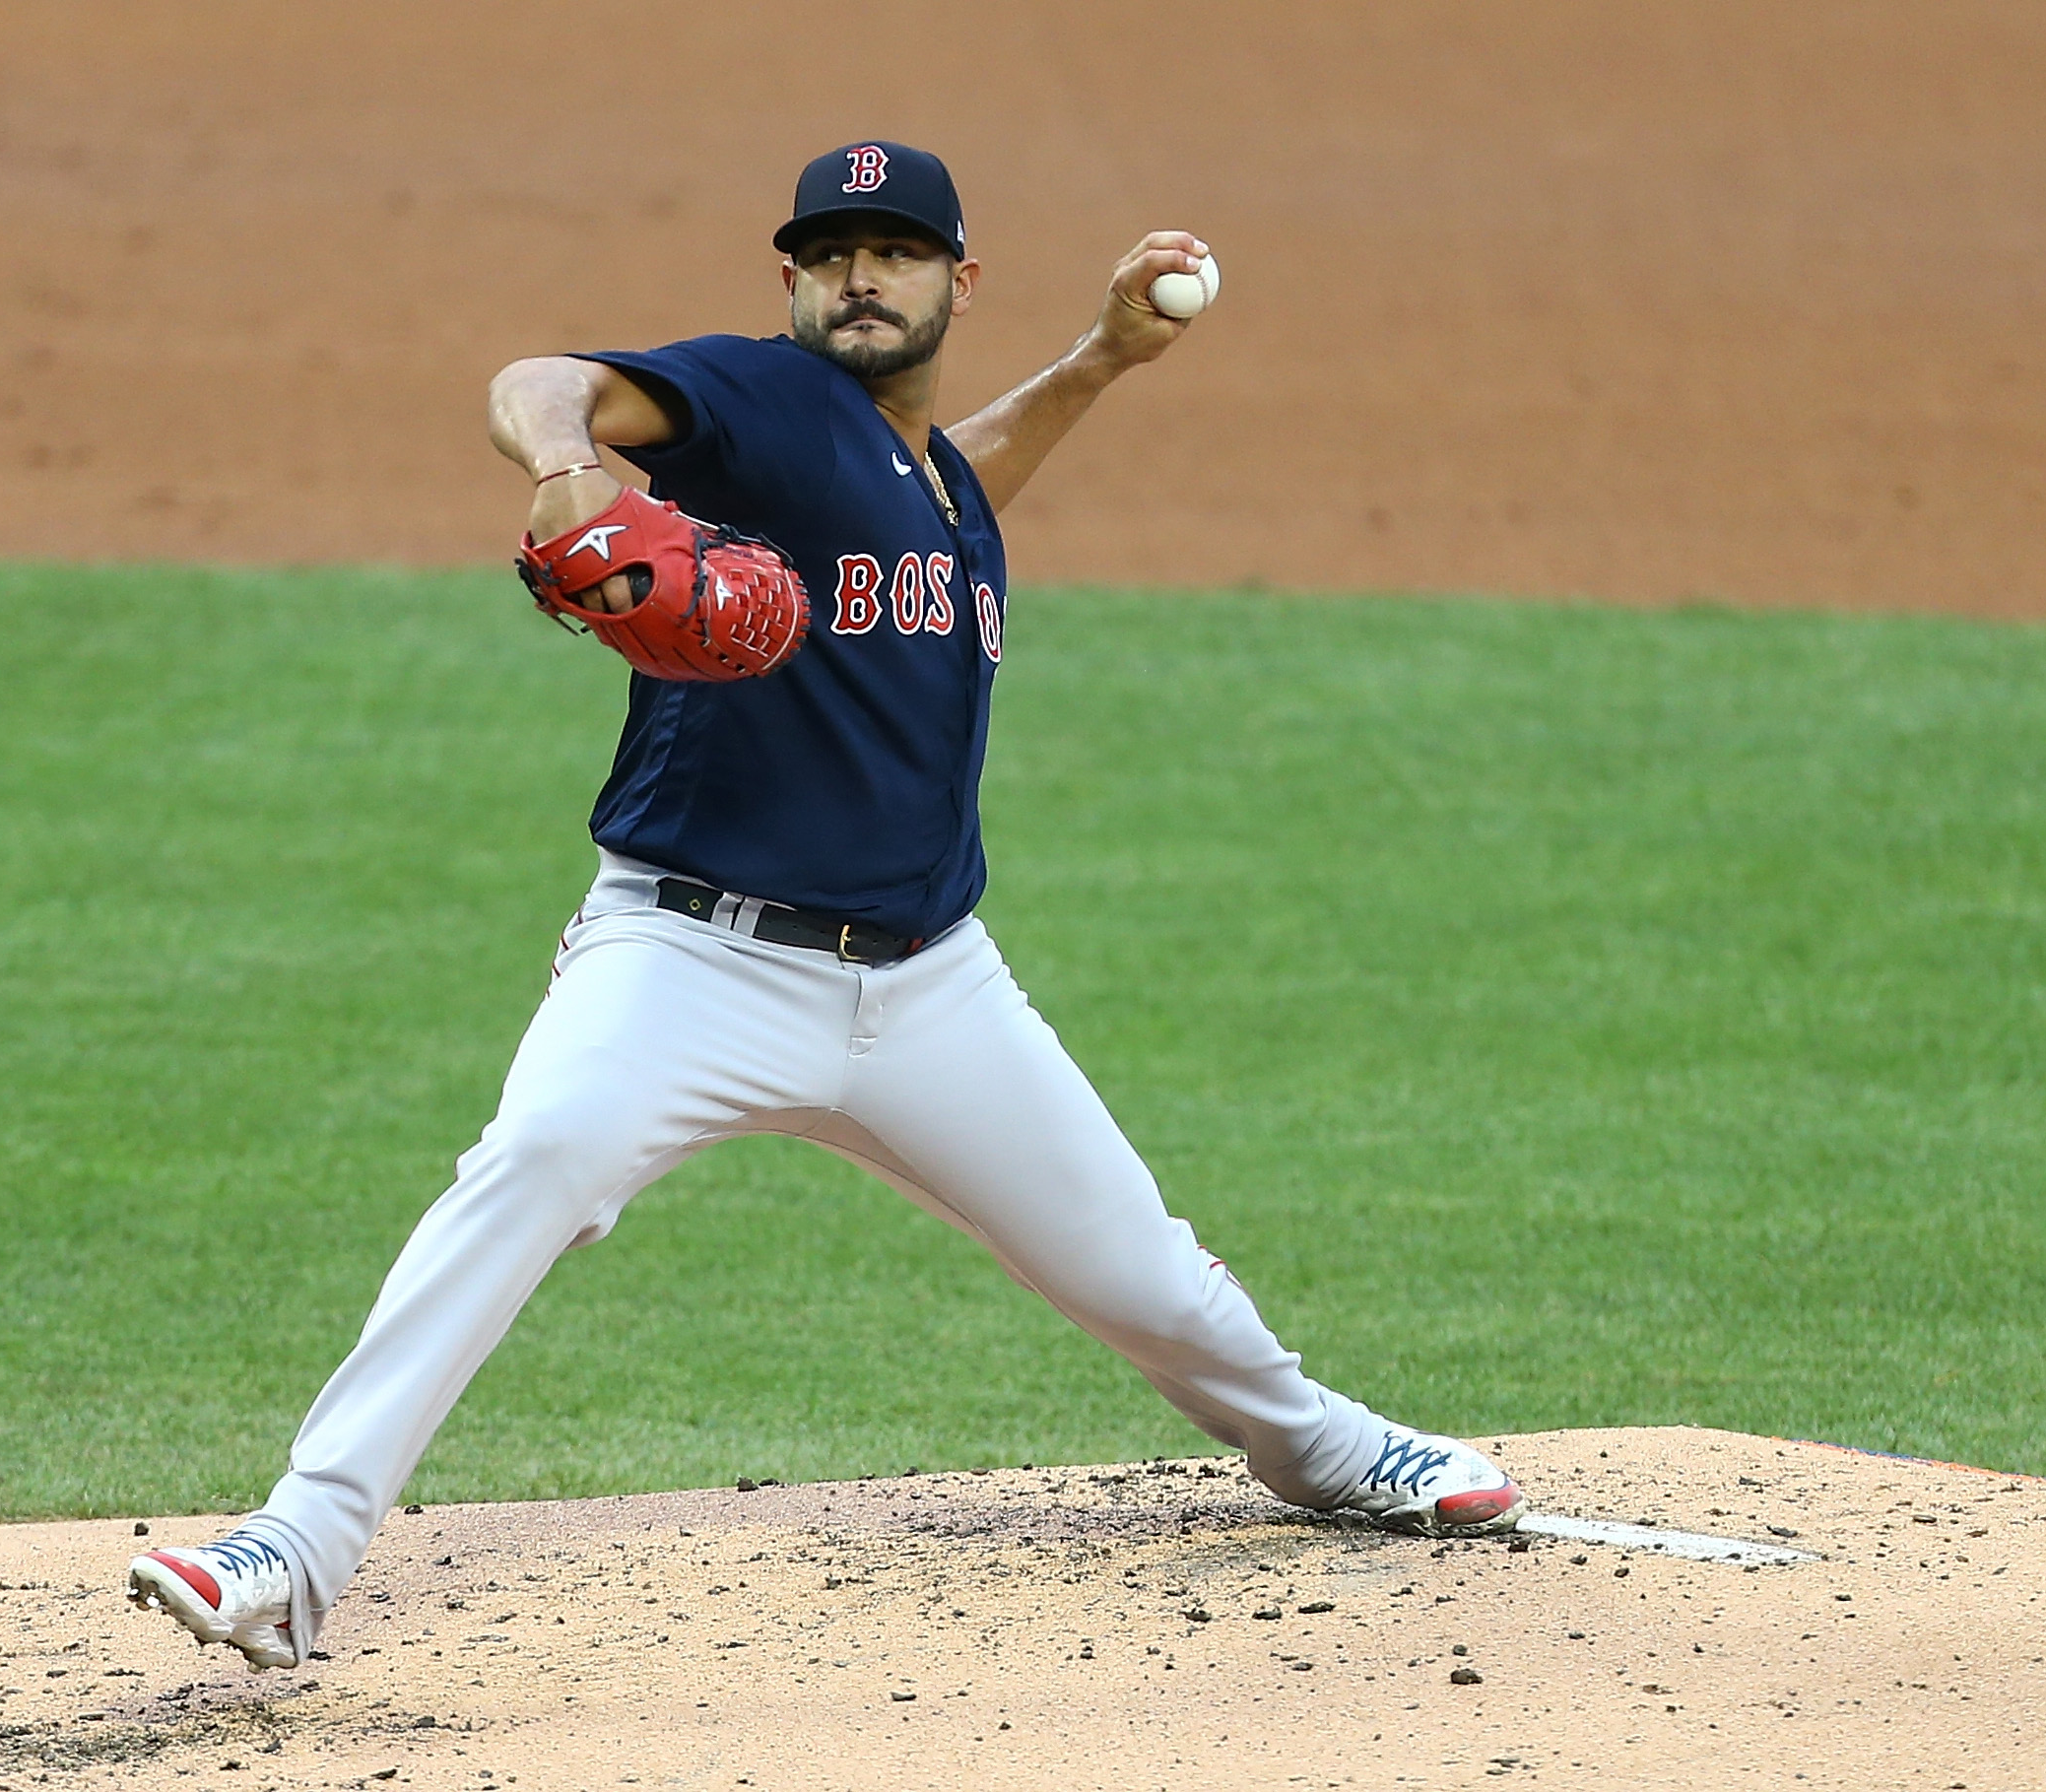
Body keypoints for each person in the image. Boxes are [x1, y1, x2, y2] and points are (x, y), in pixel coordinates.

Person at [129, 142, 1521, 1670]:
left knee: (1139, 1268)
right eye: (831, 251)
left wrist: (1105, 358)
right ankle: (295, 1543)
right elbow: (541, 377)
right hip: (686, 958)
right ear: (789, 281)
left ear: (954, 281)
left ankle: (1320, 1449)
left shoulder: (919, 482)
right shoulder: (764, 407)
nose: (863, 275)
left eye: (898, 250)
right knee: (528, 1165)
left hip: (932, 992)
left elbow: (956, 484)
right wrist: (564, 465)